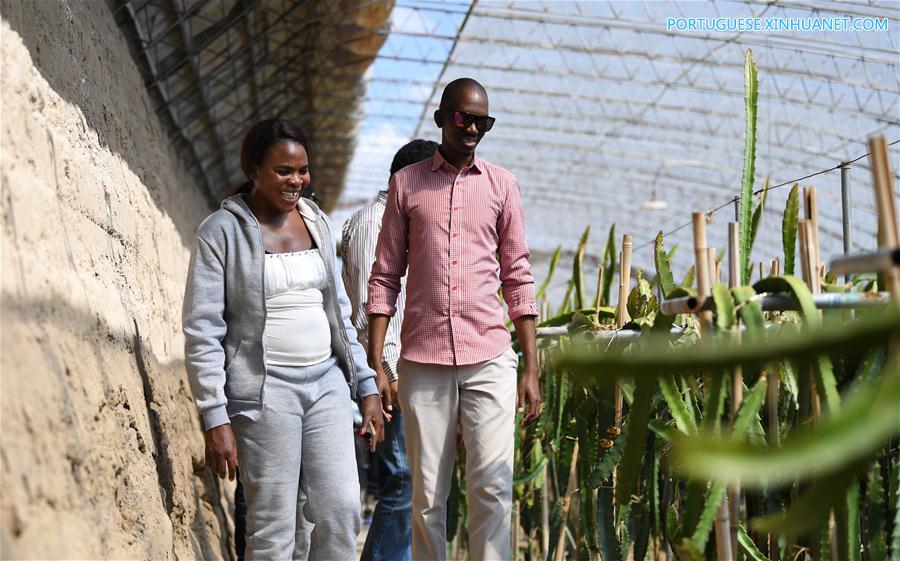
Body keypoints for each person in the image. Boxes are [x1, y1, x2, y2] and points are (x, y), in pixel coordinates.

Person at [182, 118, 384, 561]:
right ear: (254, 169)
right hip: (264, 392)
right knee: (273, 528)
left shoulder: (318, 222)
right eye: (284, 171)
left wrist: (366, 386)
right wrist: (215, 418)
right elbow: (203, 329)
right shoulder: (222, 231)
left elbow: (341, 315)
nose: (297, 181)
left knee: (341, 509)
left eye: (303, 170)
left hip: (327, 386)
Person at [366, 78, 542, 561]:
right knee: (426, 499)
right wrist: (378, 364)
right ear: (442, 117)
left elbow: (518, 277)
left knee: (493, 489)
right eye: (464, 118)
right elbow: (384, 277)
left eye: (482, 121)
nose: (472, 129)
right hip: (423, 359)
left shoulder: (503, 185)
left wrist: (531, 366)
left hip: (489, 355)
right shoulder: (407, 183)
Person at [342, 139, 439, 561]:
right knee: (404, 479)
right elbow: (371, 307)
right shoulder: (373, 223)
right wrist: (388, 370)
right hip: (389, 371)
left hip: (407, 368)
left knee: (414, 479)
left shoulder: (401, 220)